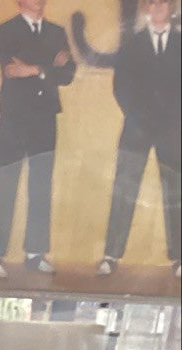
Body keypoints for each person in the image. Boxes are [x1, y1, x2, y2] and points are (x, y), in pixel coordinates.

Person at [0, 0, 77, 279]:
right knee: (5, 181)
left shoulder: (56, 32)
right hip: (14, 116)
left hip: (45, 116)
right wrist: (48, 66)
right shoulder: (5, 30)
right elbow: (12, 69)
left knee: (41, 183)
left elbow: (68, 74)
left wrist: (34, 69)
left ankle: (36, 253)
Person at [95, 0, 181, 280]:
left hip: (173, 130)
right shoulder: (132, 44)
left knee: (176, 192)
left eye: (163, 2)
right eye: (153, 2)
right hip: (136, 128)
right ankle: (111, 255)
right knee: (125, 188)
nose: (158, 7)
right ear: (146, 9)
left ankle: (179, 257)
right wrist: (137, 117)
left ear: (171, 8)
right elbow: (121, 85)